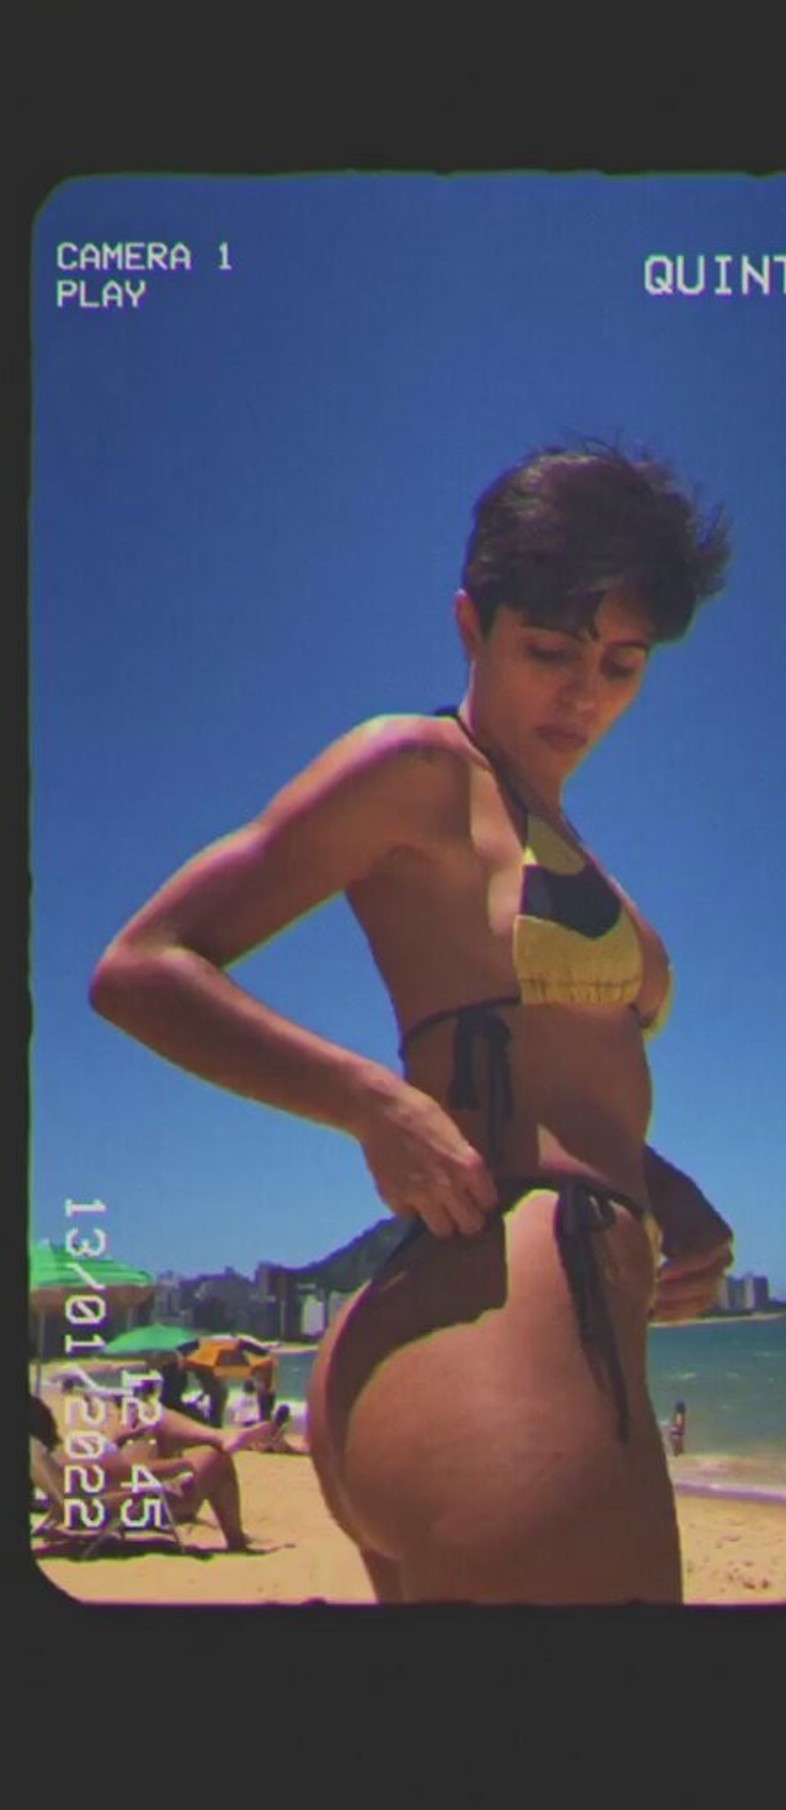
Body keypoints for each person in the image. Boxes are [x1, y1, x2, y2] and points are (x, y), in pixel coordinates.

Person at [88, 439, 735, 1603]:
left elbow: (553, 1081)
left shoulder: (551, 831)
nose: (584, 694)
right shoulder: (423, 768)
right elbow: (140, 968)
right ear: (470, 625)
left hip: (503, 1322)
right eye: (549, 651)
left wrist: (660, 1187)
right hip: (512, 1329)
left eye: (623, 663)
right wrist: (369, 1102)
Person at [29, 1391, 256, 1551]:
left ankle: (220, 1436)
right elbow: (135, 1476)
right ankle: (236, 1540)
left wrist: (115, 1441)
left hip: (108, 1499)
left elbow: (105, 1477)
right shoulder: (73, 1460)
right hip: (138, 1505)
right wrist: (182, 1464)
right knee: (217, 1458)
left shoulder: (40, 1456)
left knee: (148, 1422)